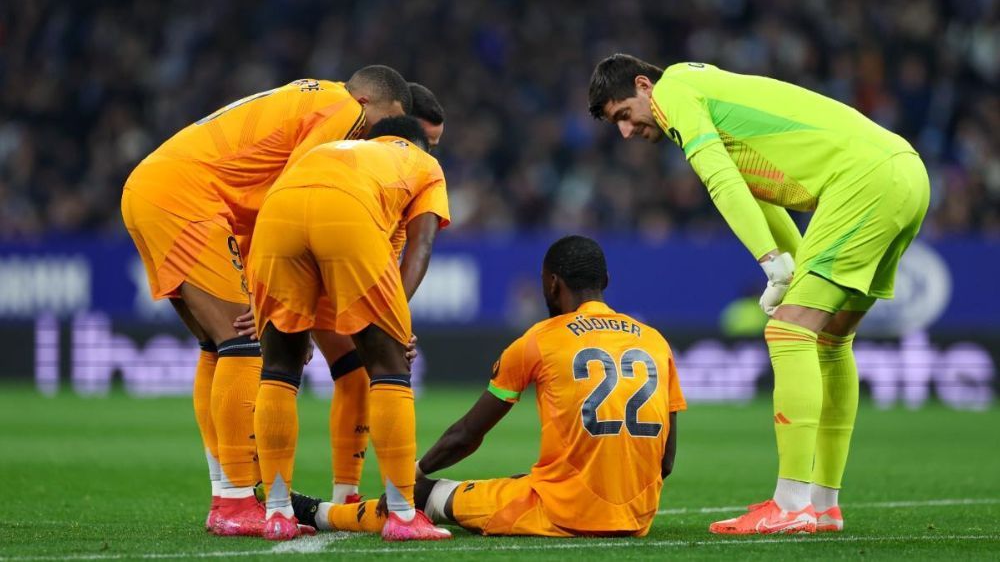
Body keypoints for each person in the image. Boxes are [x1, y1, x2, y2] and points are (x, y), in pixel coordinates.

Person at [588, 55, 929, 534]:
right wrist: (788, 267)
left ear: (644, 86)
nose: (626, 132)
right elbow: (758, 195)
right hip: (903, 173)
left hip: (862, 181)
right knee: (830, 341)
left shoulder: (674, 95)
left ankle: (790, 503)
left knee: (788, 330)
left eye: (623, 114)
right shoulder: (706, 92)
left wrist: (770, 264)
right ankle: (823, 504)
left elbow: (719, 180)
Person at [121, 65, 412, 536]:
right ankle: (236, 502)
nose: (383, 138)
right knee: (244, 343)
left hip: (156, 188)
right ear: (368, 101)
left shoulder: (311, 97)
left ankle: (227, 495)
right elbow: (290, 196)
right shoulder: (345, 114)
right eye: (388, 121)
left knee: (218, 345)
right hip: (187, 197)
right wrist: (270, 295)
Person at [290, 235, 686, 537]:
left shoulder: (540, 339)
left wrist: (415, 471)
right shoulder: (654, 340)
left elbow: (466, 434)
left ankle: (320, 513)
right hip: (638, 519)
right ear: (606, 281)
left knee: (419, 495)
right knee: (519, 482)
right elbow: (665, 463)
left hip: (562, 514)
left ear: (552, 284)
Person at [248, 116, 452, 541]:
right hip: (345, 212)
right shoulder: (423, 163)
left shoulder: (335, 151)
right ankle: (401, 512)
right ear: (417, 142)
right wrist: (396, 315)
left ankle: (278, 511)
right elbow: (422, 244)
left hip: (277, 209)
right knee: (389, 365)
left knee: (280, 370)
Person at [316, 82, 447, 506]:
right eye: (425, 141)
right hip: (313, 255)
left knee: (354, 374)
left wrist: (389, 316)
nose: (428, 153)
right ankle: (246, 491)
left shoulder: (382, 170)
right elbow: (418, 247)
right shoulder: (348, 145)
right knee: (268, 361)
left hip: (332, 264)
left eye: (435, 144)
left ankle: (341, 496)